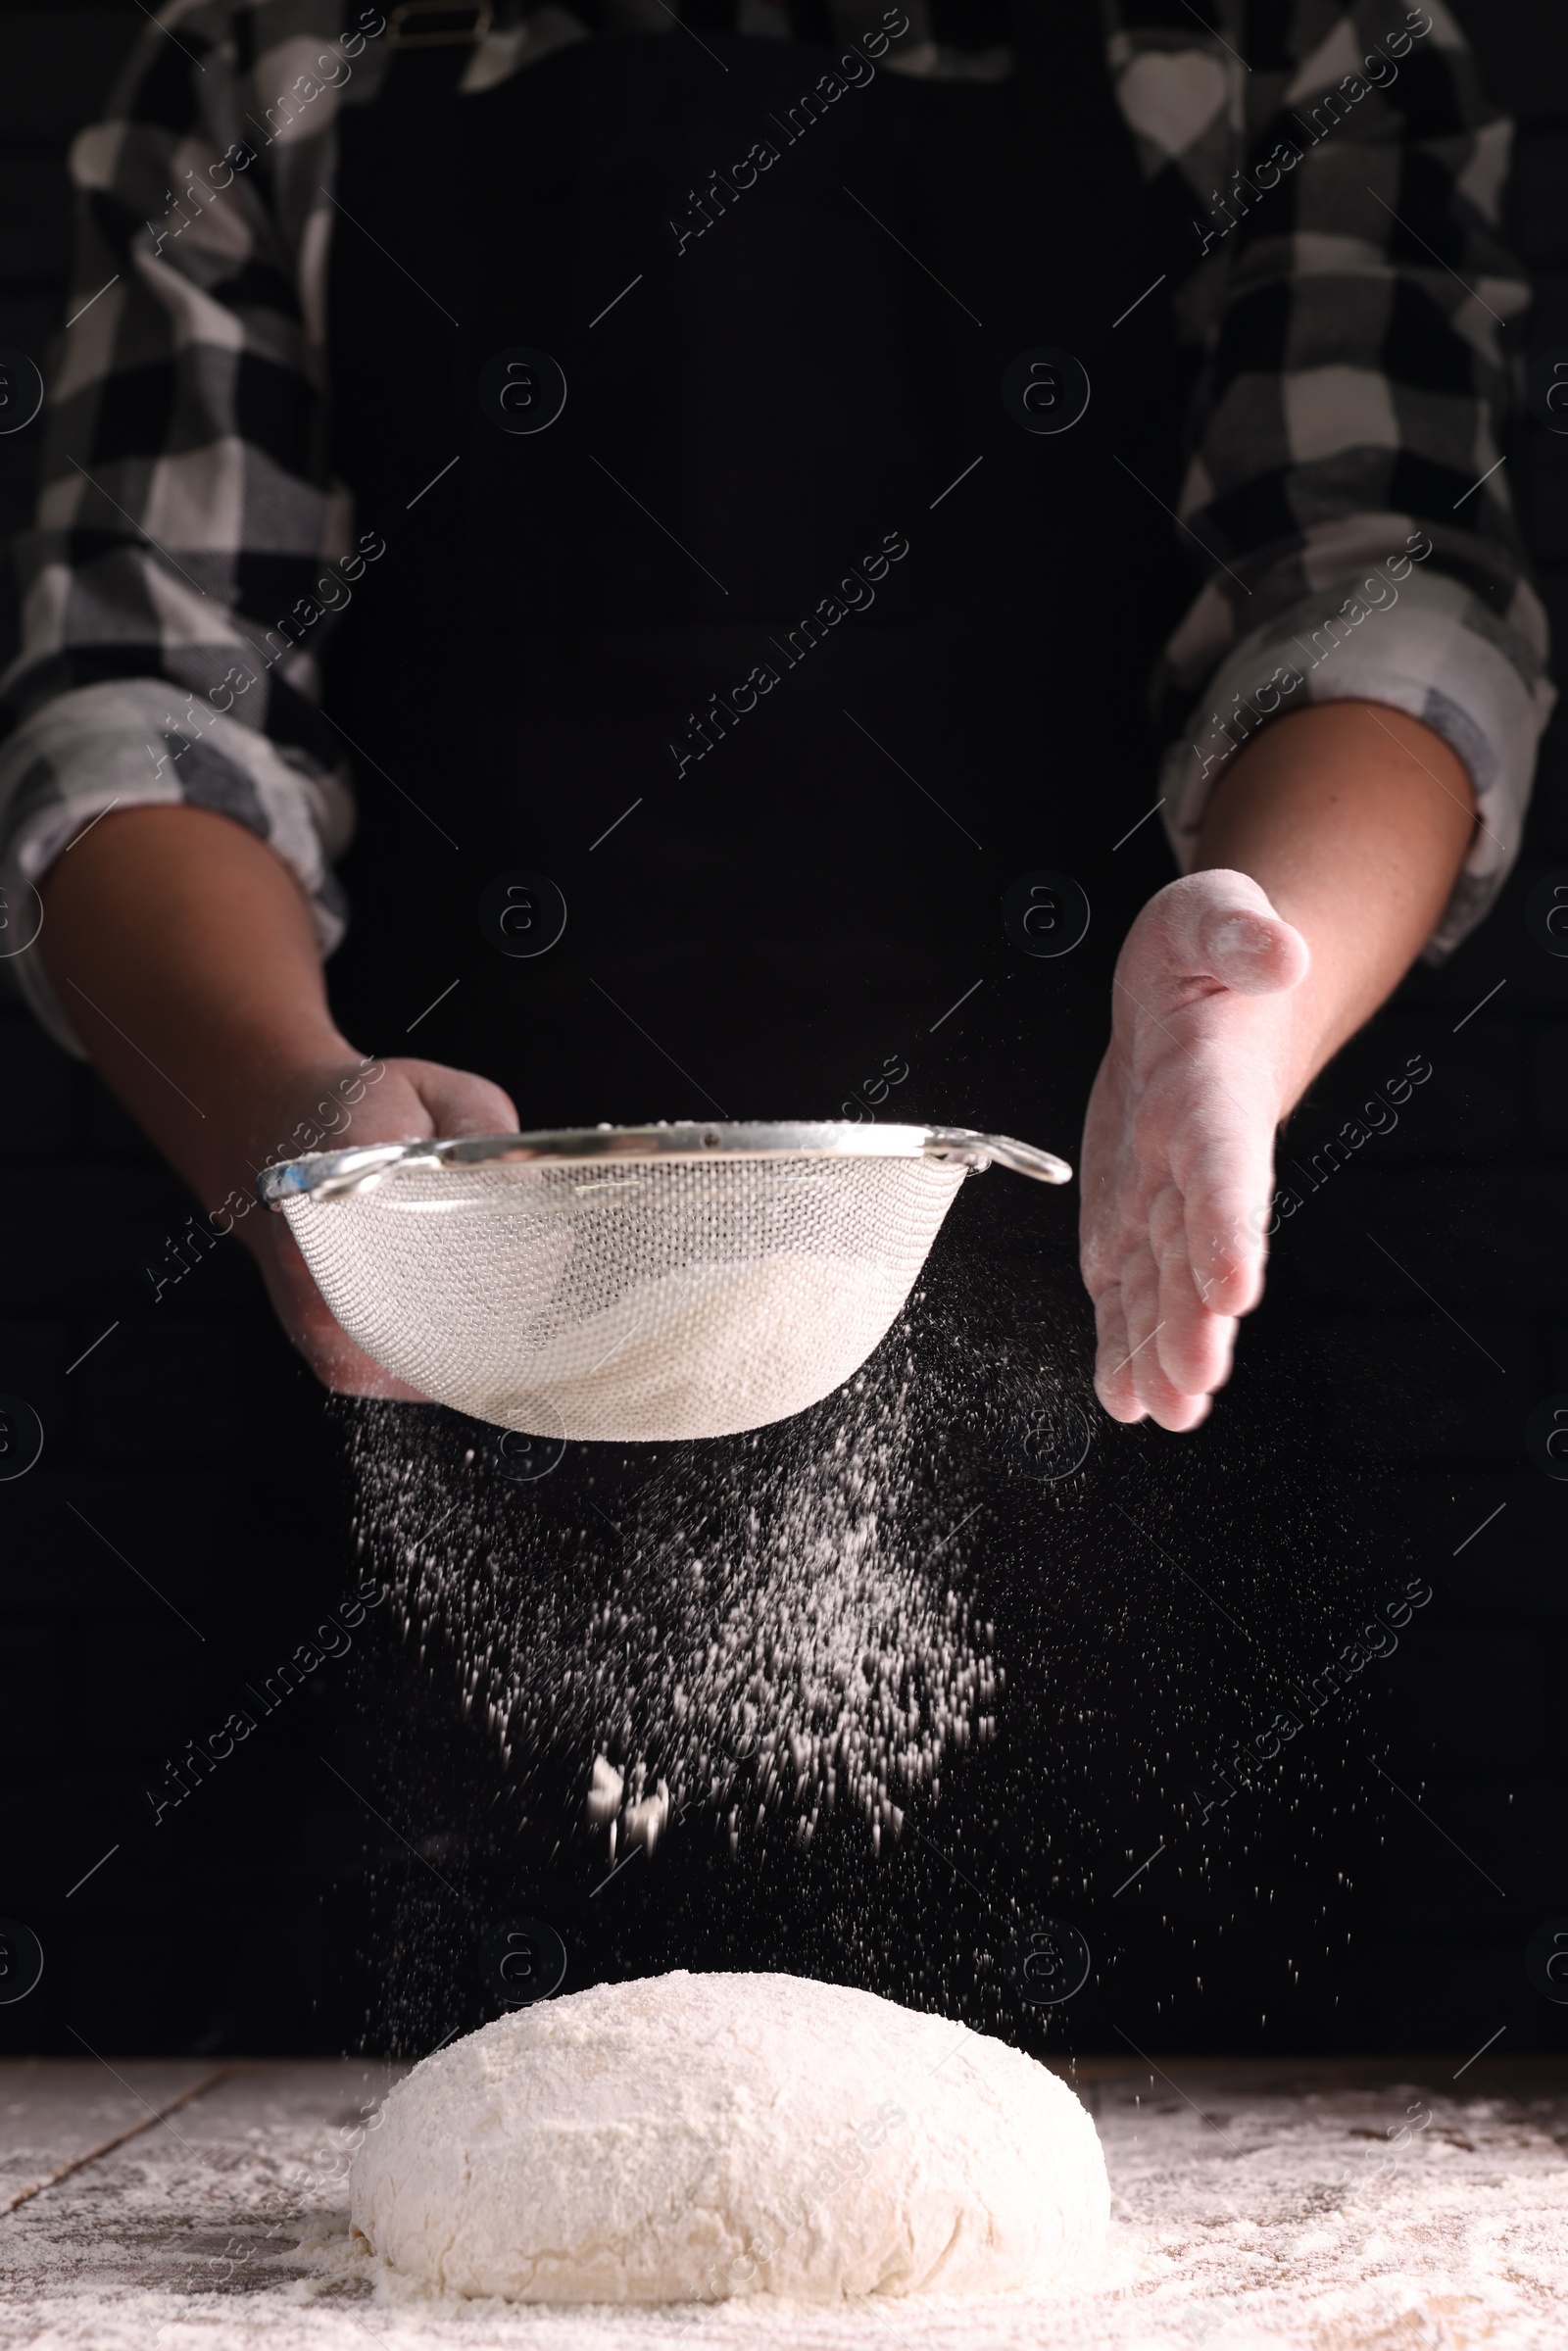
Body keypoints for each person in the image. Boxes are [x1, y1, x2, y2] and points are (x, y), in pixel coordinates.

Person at [0, 0, 1549, 1436]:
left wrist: (1245, 1003)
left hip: (1098, 1289)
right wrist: (297, 1126)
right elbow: (135, 693)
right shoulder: (268, 47)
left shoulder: (1274, 34)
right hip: (435, 1303)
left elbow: (1383, 598)